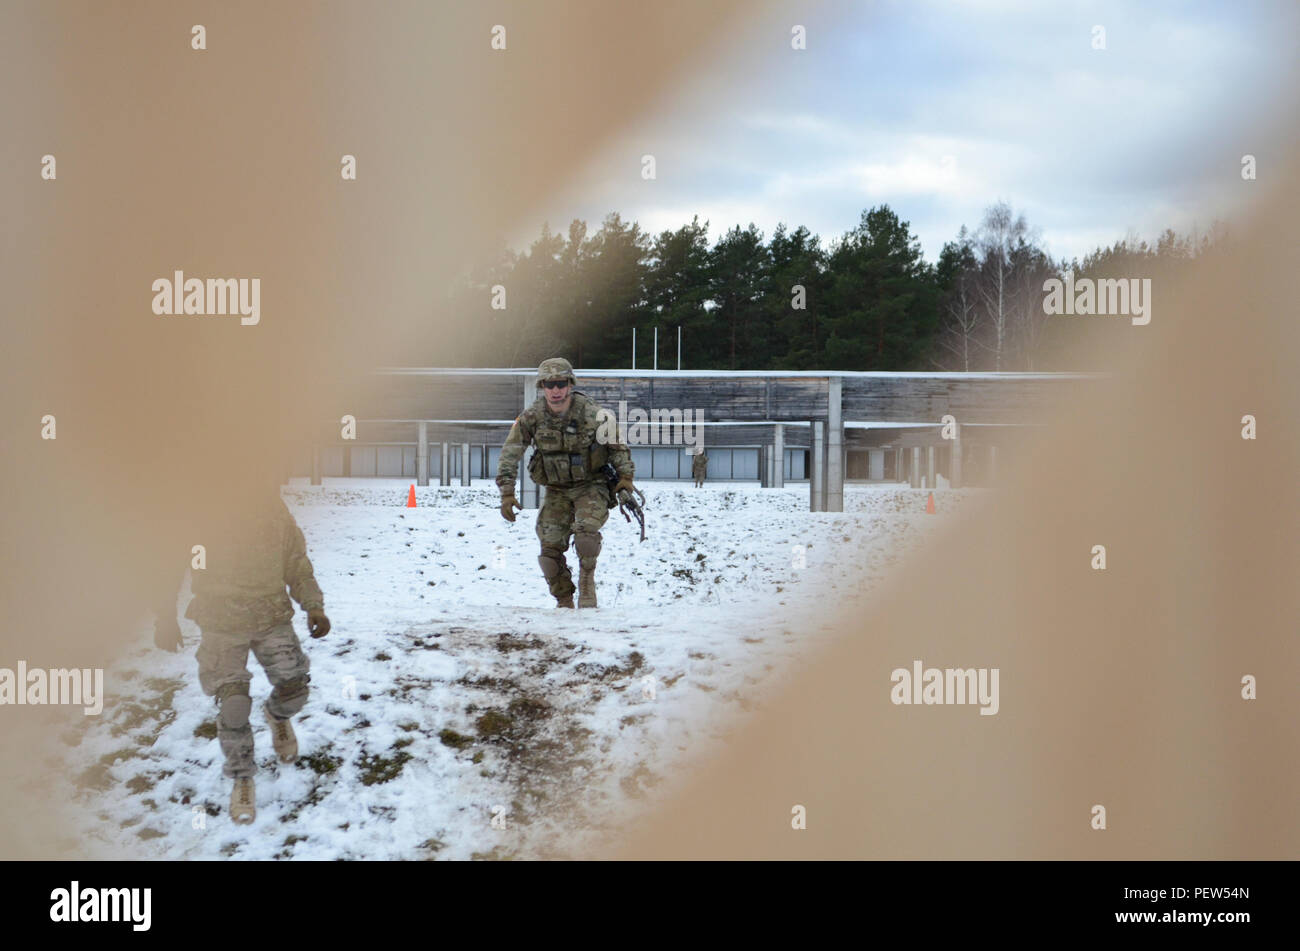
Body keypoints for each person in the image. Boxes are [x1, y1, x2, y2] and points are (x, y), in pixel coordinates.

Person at [154, 482, 330, 825]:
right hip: (220, 620)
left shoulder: (271, 508)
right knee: (234, 704)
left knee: (296, 688)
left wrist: (314, 606)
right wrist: (164, 616)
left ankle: (278, 716)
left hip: (271, 615)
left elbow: (295, 561)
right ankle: (242, 777)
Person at [496, 357, 635, 609]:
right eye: (549, 384)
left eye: (560, 383)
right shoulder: (532, 417)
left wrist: (625, 478)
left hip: (591, 485)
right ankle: (564, 600)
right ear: (542, 387)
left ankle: (586, 583)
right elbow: (510, 452)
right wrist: (507, 492)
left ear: (569, 384)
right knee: (548, 554)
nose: (555, 390)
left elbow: (617, 447)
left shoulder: (594, 414)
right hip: (556, 490)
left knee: (585, 536)